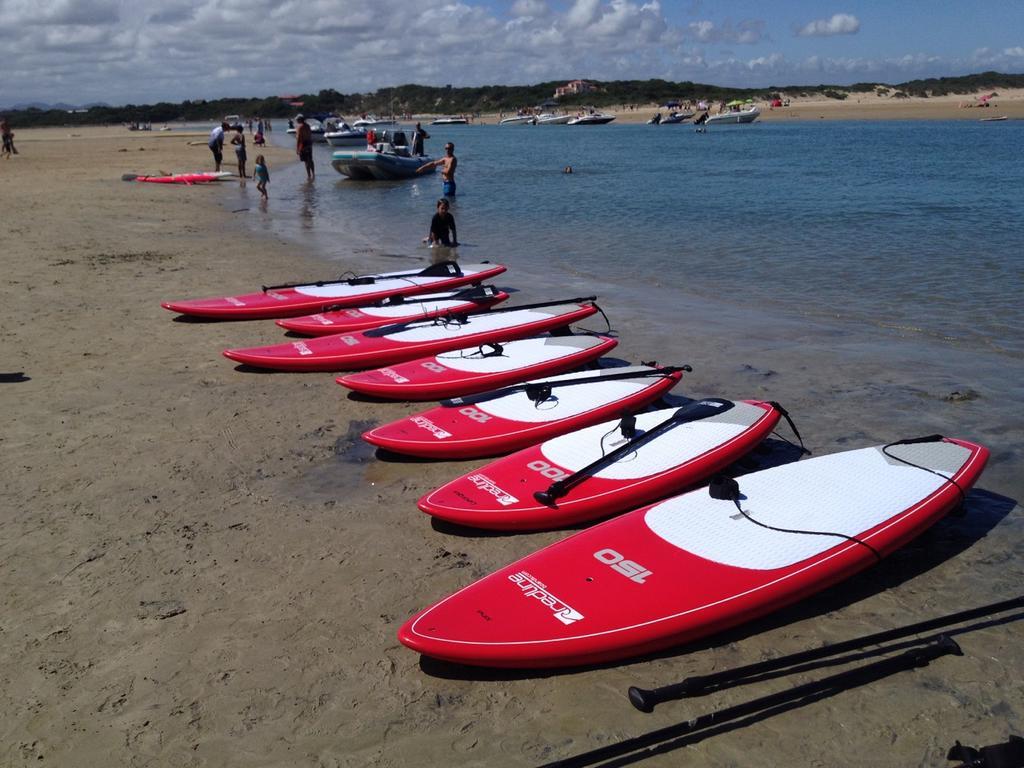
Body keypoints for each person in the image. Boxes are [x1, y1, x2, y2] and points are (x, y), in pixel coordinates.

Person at [295, 115, 314, 180]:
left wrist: (297, 148)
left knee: (306, 161)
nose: (296, 121)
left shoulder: (300, 128)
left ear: (300, 120)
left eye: (297, 120)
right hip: (309, 143)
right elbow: (310, 135)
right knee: (310, 160)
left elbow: (299, 139)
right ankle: (313, 174)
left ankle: (309, 175)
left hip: (303, 144)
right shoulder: (308, 126)